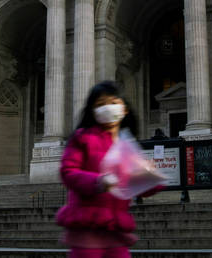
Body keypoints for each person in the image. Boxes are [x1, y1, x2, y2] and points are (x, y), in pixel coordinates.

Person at [56, 81, 161, 258]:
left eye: (113, 102)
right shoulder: (82, 138)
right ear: (92, 111)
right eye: (100, 104)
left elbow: (138, 187)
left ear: (124, 109)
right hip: (87, 226)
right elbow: (68, 172)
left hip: (116, 229)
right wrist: (98, 181)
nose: (107, 108)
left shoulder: (127, 146)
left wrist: (150, 176)